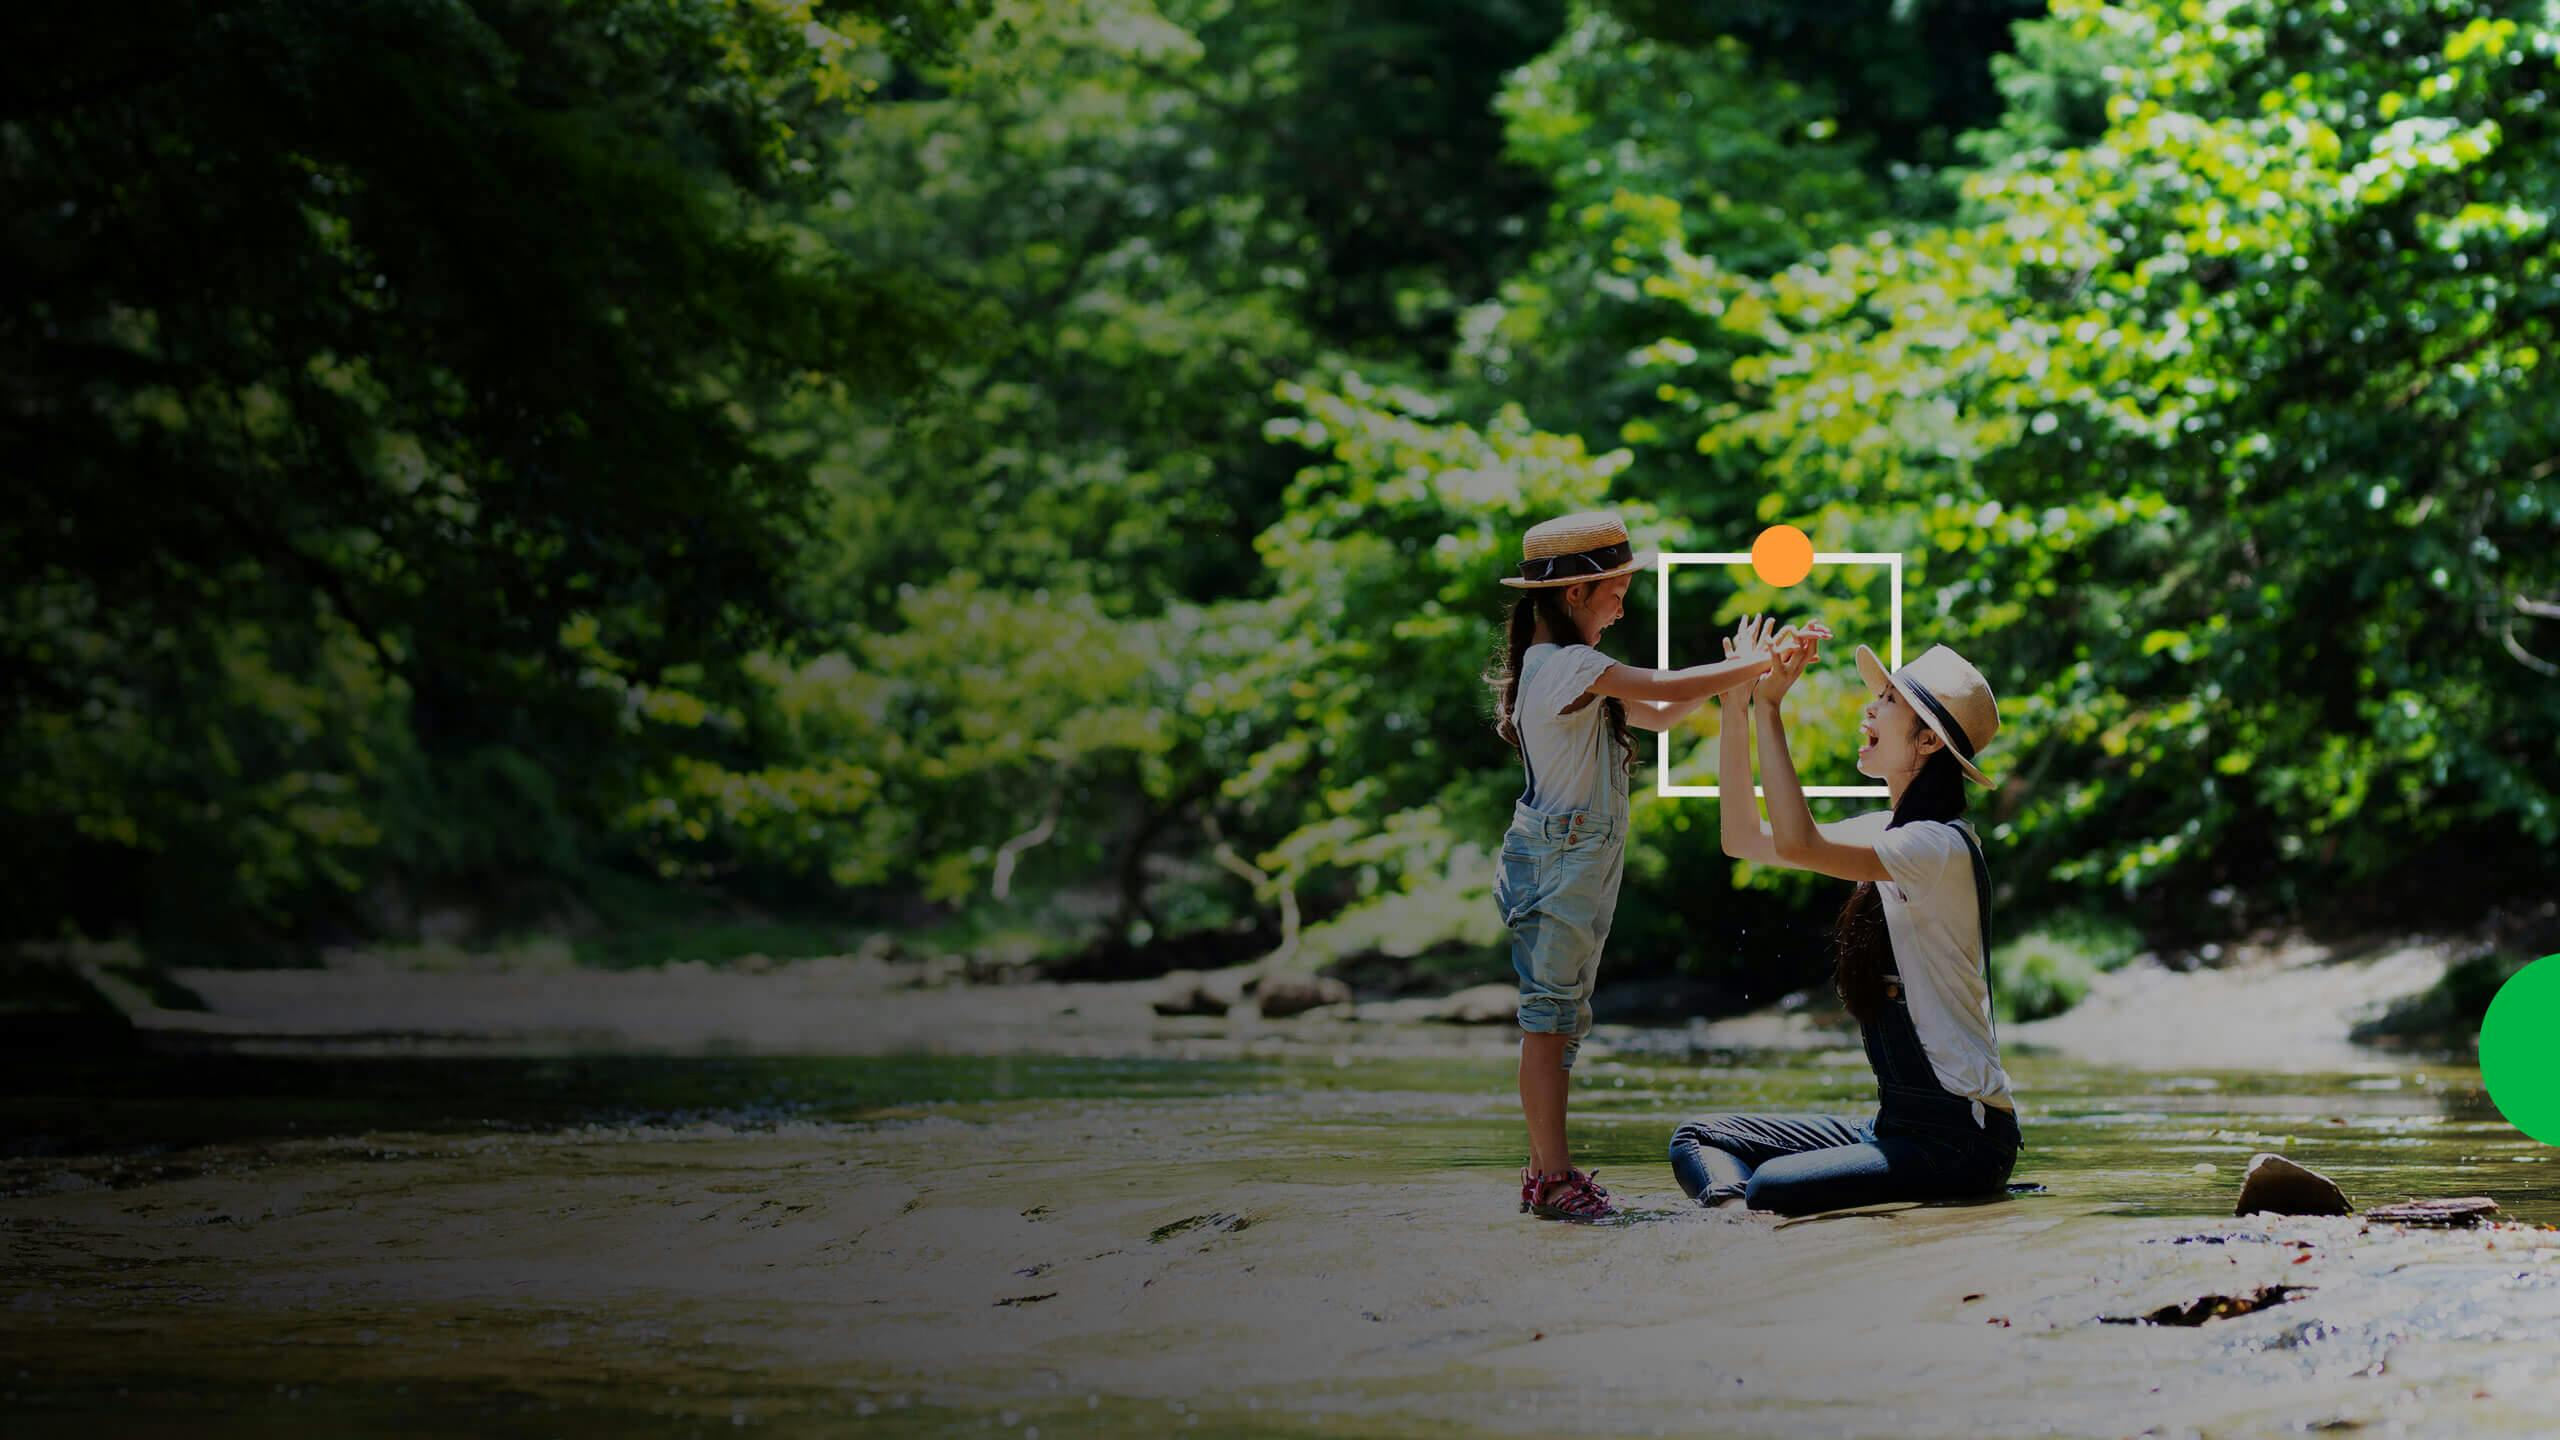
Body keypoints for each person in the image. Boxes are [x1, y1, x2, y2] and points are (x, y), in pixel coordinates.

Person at [1487, 513, 1824, 1221]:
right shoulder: (1568, 665)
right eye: (1614, 589)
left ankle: (1548, 1171)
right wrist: (1760, 663)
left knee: (1560, 1023)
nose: (1622, 603)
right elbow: (1668, 688)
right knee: (1549, 1022)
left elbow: (1665, 715)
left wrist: (1735, 688)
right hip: (1561, 861)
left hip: (1569, 861)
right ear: (1575, 594)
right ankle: (1550, 1177)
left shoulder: (1569, 668)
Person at [1667, 617, 2021, 1216]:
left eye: (1887, 701)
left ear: (1929, 742)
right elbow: (1743, 839)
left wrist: (1772, 709)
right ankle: (1729, 1225)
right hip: (1895, 1124)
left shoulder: (1937, 848)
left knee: (1772, 1187)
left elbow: (1800, 843)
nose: (1869, 709)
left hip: (1960, 1139)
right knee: (1700, 1138)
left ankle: (1743, 1214)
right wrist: (1737, 707)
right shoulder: (1890, 833)